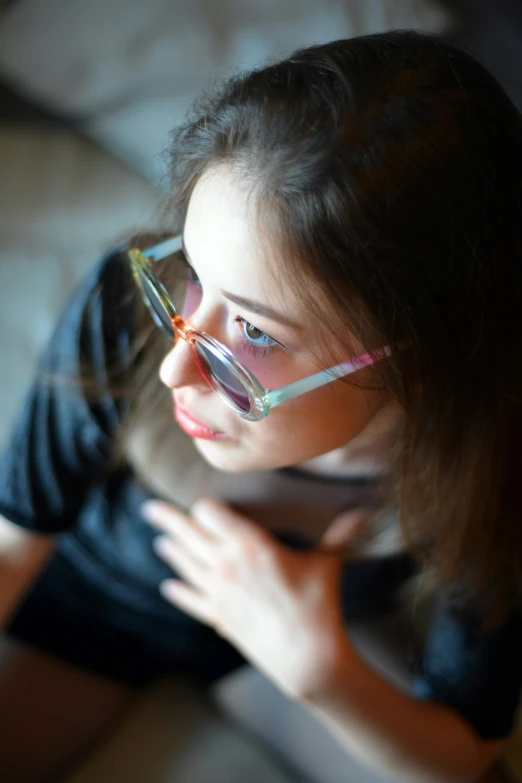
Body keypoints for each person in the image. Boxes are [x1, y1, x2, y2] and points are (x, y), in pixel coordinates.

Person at [0, 29, 521, 783]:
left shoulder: (493, 464)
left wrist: (316, 666)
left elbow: (462, 749)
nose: (179, 362)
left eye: (252, 330)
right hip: (98, 605)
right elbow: (12, 549)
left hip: (314, 630)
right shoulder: (123, 310)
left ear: (420, 361)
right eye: (191, 270)